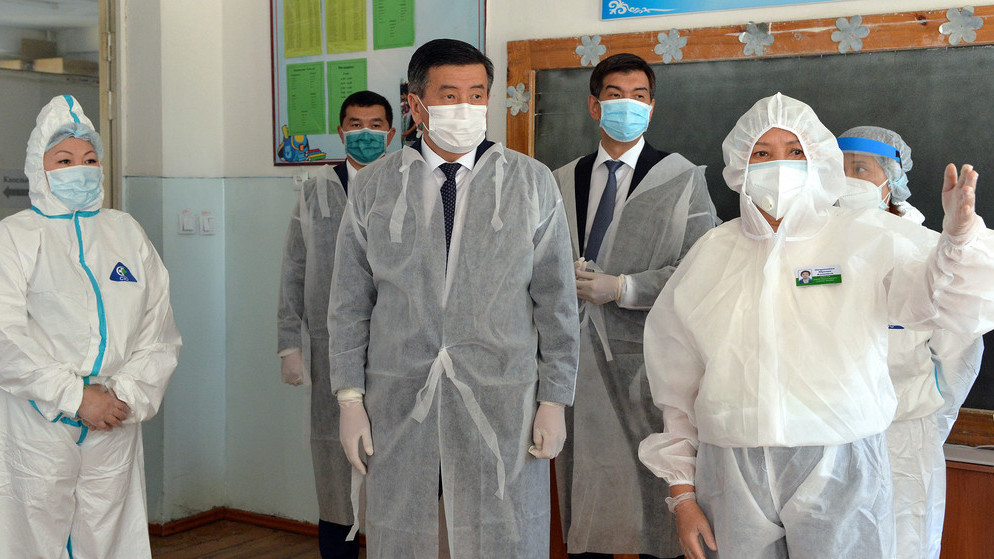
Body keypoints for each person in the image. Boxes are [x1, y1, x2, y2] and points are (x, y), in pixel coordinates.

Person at [638, 92, 994, 559]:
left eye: (794, 152)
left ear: (818, 161)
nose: (778, 165)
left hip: (841, 467)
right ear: (740, 164)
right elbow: (676, 385)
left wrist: (958, 243)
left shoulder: (863, 236)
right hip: (731, 473)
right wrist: (682, 494)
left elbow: (943, 303)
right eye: (762, 153)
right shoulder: (711, 254)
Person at [327, 39, 579, 558]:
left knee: (503, 533)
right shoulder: (374, 188)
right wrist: (349, 399)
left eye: (477, 94)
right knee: (405, 530)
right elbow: (350, 302)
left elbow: (557, 303)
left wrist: (554, 399)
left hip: (502, 399)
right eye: (449, 95)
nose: (465, 108)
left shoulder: (531, 183)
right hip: (399, 398)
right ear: (415, 104)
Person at [0, 94, 181, 558]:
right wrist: (75, 397)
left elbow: (158, 331)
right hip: (37, 422)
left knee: (111, 536)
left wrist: (121, 396)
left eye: (89, 159)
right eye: (64, 160)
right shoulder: (15, 237)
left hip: (114, 419)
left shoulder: (125, 232)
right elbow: (6, 336)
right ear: (39, 168)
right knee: (32, 536)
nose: (79, 169)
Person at [551, 52, 716, 559]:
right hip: (574, 365)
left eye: (639, 96)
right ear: (594, 105)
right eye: (615, 95)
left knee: (653, 496)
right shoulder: (561, 179)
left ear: (652, 106)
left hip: (648, 364)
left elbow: (700, 271)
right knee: (586, 490)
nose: (628, 105)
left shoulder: (680, 177)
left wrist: (623, 288)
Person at [837, 125, 983, 559]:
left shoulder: (928, 250)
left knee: (902, 543)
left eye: (859, 169)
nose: (845, 180)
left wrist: (927, 417)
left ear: (892, 178)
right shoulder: (810, 251)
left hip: (903, 435)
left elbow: (958, 355)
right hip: (829, 431)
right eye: (836, 168)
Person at [277, 90, 395, 559]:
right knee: (333, 463)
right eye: (355, 124)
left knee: (395, 460)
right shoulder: (315, 191)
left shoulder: (407, 184)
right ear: (341, 132)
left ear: (392, 132)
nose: (365, 133)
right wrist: (289, 344)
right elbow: (294, 268)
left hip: (395, 345)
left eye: (375, 125)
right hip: (330, 349)